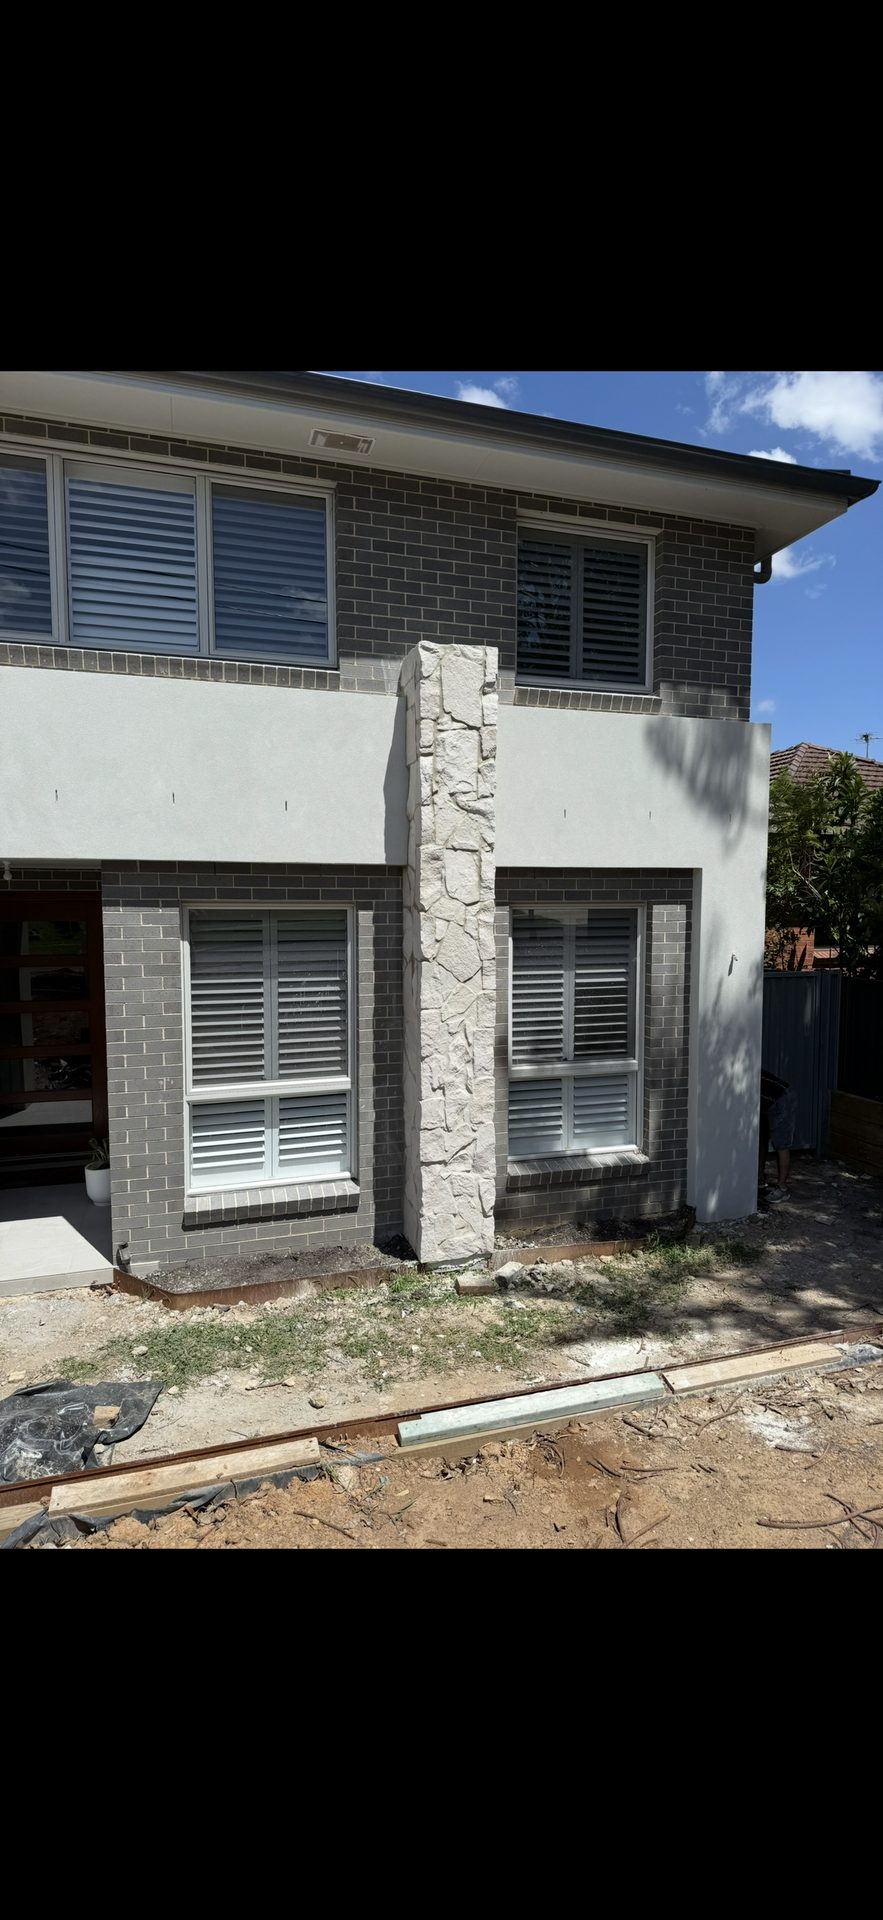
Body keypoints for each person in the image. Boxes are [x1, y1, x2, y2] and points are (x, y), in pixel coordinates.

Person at [758, 1069, 798, 1203]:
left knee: (781, 1144)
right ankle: (760, 1177)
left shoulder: (747, 1074)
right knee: (761, 1138)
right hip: (767, 1103)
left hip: (781, 1099)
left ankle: (782, 1189)